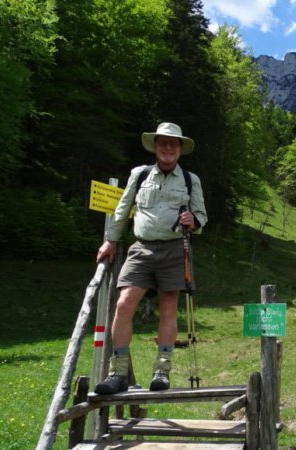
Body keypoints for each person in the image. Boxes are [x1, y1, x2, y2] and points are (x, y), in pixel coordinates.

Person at [94, 122, 208, 394]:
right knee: (123, 304)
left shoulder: (191, 180)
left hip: (174, 249)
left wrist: (194, 221)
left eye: (173, 143)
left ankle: (162, 372)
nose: (168, 147)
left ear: (180, 149)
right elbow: (123, 209)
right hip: (141, 248)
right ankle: (117, 372)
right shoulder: (140, 174)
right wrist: (111, 240)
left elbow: (202, 217)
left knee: (169, 308)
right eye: (163, 143)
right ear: (156, 146)